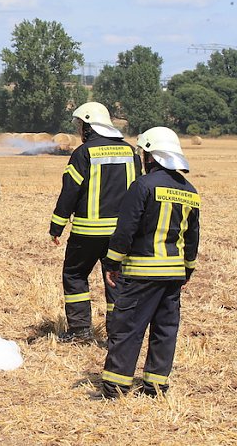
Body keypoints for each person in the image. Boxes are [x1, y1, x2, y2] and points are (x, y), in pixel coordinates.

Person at [100, 126, 200, 398]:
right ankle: (156, 386)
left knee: (128, 327)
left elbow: (126, 229)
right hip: (174, 274)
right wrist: (188, 269)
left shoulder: (143, 185)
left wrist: (112, 262)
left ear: (151, 156)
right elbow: (192, 238)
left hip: (142, 273)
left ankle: (115, 386)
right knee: (165, 330)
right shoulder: (190, 191)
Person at [49, 102, 141, 343]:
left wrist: (57, 226)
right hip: (122, 234)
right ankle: (118, 333)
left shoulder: (84, 153)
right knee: (116, 280)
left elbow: (70, 191)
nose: (80, 130)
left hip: (87, 232)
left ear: (89, 126)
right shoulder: (132, 153)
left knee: (75, 275)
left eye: (81, 125)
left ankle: (80, 331)